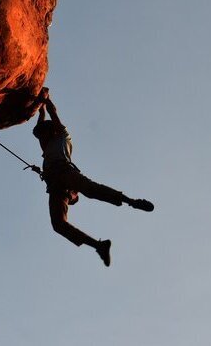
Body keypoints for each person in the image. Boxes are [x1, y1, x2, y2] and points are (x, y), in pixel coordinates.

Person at [32, 89, 154, 266]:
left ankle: (131, 201)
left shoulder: (62, 137)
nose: (40, 139)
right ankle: (98, 245)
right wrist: (40, 108)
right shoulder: (47, 144)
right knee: (58, 224)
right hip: (55, 185)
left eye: (43, 134)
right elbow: (42, 118)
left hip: (65, 173)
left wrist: (46, 100)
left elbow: (52, 113)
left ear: (50, 132)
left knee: (90, 189)